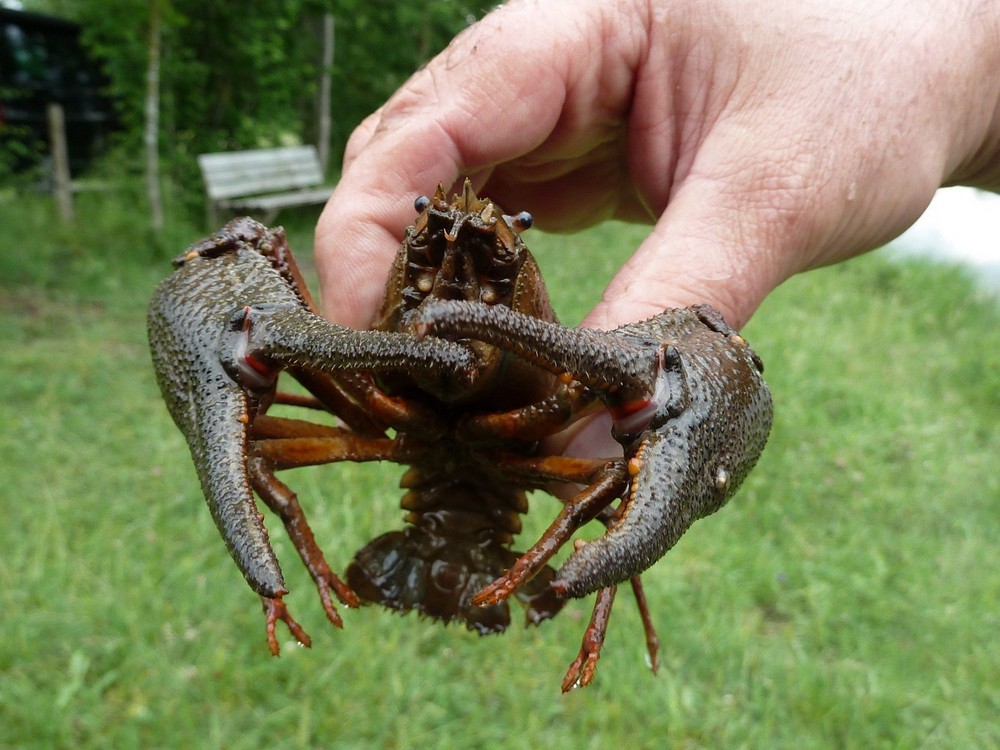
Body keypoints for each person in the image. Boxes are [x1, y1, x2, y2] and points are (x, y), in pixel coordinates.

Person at [314, 0, 999, 456]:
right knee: (237, 255)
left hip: (527, 451)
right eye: (431, 252)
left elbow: (724, 388)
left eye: (490, 277)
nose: (460, 285)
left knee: (713, 361)